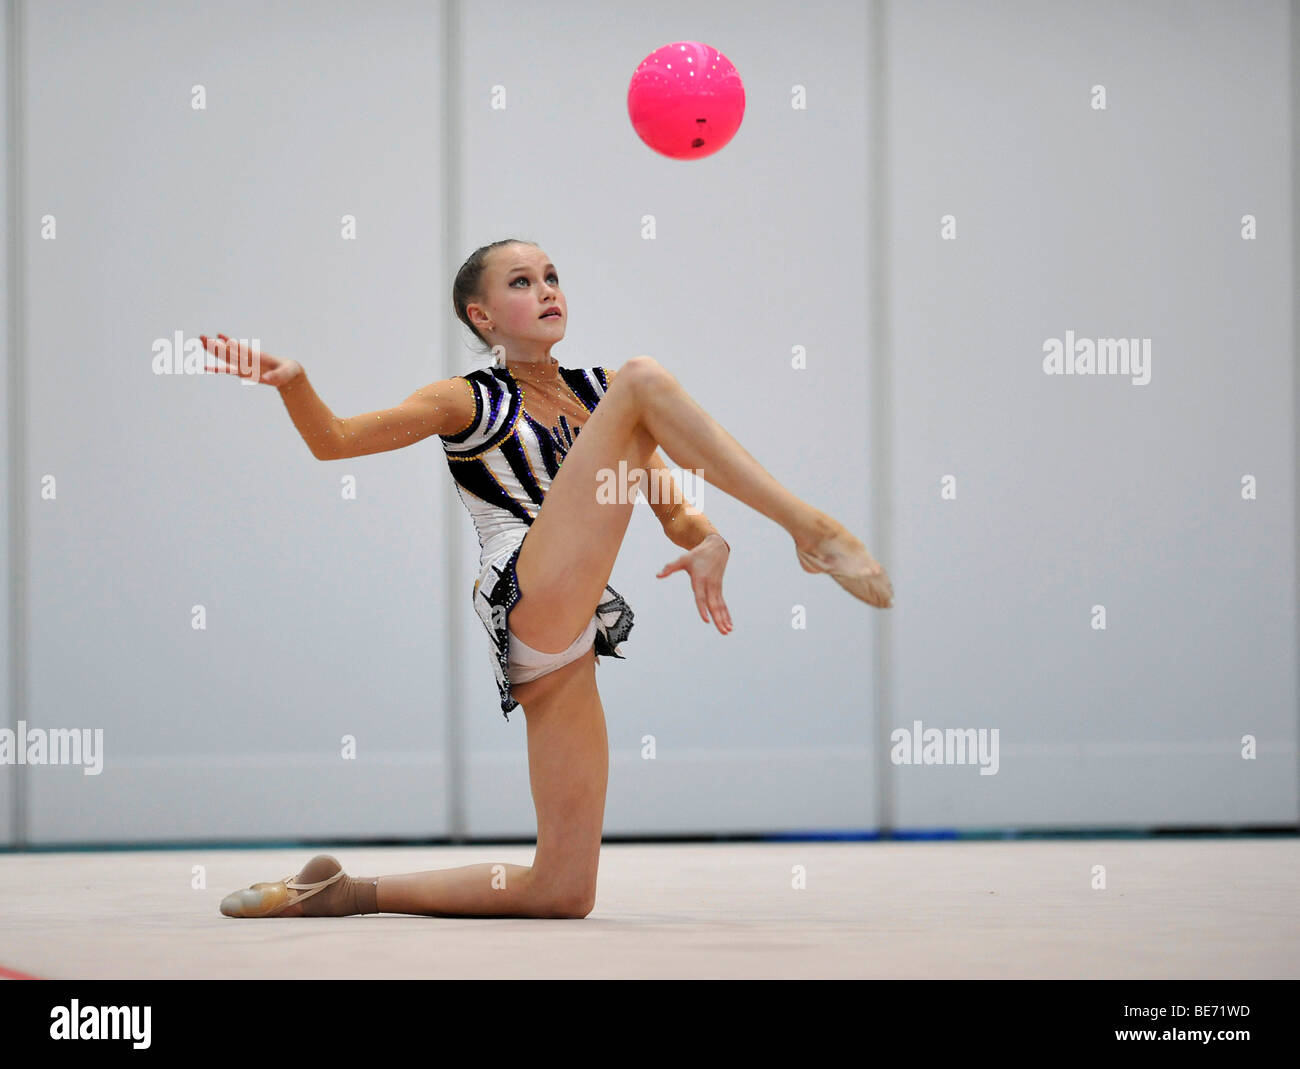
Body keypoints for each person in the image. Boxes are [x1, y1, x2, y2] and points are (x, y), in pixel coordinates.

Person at [203, 239, 893, 920]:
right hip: (525, 589)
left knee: (561, 888)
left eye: (553, 276)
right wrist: (295, 380)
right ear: (482, 317)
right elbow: (337, 440)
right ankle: (810, 528)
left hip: (568, 630)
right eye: (523, 282)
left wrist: (710, 539)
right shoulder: (467, 399)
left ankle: (344, 891)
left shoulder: (602, 398)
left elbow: (672, 509)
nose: (548, 291)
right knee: (646, 377)